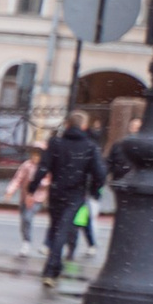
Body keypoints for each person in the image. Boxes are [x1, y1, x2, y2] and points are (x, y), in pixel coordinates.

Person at [31, 111, 106, 289]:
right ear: (84, 126)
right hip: (76, 193)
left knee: (56, 227)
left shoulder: (56, 143)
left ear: (67, 125)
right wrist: (95, 191)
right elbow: (100, 174)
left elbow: (43, 167)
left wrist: (32, 187)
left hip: (57, 191)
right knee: (63, 230)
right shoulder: (90, 146)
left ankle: (53, 268)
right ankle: (51, 270)